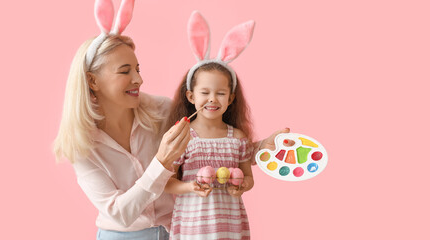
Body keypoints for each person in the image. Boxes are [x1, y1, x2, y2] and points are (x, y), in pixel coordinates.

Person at [53, 0, 191, 239]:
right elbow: (120, 214)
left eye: (138, 69)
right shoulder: (80, 145)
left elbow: (213, 135)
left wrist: (260, 148)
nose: (138, 79)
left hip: (179, 232)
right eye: (125, 71)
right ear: (92, 81)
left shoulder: (163, 111)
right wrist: (161, 161)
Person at [164, 11, 289, 239]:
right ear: (191, 96)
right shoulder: (184, 137)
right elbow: (168, 183)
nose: (212, 99)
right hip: (194, 227)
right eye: (205, 92)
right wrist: (190, 187)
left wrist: (241, 186)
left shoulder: (237, 137)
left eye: (220, 93)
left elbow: (248, 176)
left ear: (230, 99)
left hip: (229, 225)